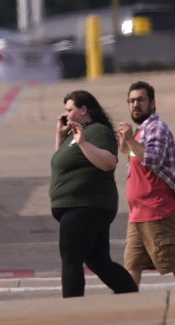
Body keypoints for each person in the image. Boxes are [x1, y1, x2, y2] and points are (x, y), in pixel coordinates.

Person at [49, 90, 138, 298]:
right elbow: (61, 163)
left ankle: (73, 310)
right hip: (81, 206)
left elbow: (108, 162)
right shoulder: (77, 133)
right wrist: (60, 136)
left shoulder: (98, 131)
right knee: (98, 261)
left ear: (83, 110)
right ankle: (130, 293)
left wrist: (82, 143)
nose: (66, 114)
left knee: (71, 259)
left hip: (85, 206)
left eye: (70, 110)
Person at [116, 81, 175, 288]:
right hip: (139, 213)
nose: (135, 105)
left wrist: (130, 140)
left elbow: (153, 158)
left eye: (140, 100)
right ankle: (125, 314)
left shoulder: (156, 127)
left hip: (157, 211)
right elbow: (139, 163)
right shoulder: (140, 131)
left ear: (152, 103)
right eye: (131, 101)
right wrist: (125, 145)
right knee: (131, 268)